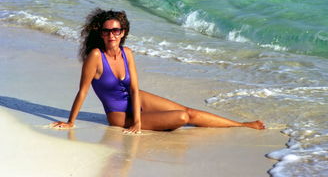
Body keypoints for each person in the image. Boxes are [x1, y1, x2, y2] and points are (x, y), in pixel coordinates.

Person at [52, 8, 265, 134]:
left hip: (136, 100)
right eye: (107, 31)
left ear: (123, 32)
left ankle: (242, 125)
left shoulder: (128, 53)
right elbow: (83, 91)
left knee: (188, 111)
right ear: (102, 33)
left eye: (115, 30)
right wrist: (71, 121)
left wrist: (138, 120)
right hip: (117, 114)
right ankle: (159, 121)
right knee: (181, 118)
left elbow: (134, 90)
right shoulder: (96, 56)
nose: (111, 35)